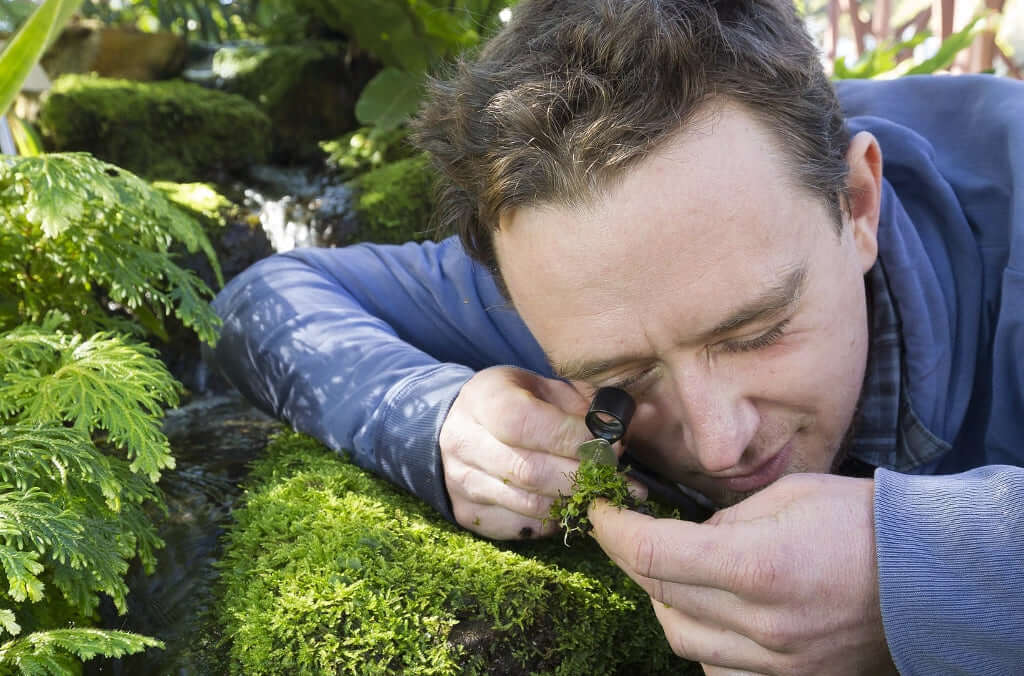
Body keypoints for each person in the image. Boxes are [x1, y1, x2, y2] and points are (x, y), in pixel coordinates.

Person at [205, 0, 1024, 673]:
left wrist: (927, 574)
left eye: (757, 332)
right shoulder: (565, 265)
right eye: (621, 380)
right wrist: (435, 416)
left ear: (856, 205)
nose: (719, 443)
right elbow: (262, 296)